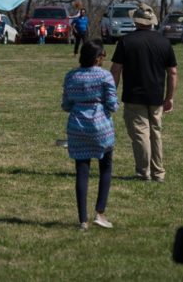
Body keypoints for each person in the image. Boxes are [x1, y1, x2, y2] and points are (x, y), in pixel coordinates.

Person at [109, 2, 177, 183]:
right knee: (156, 133)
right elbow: (173, 72)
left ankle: (143, 172)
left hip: (134, 96)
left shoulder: (126, 41)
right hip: (156, 97)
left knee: (140, 134)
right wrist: (169, 97)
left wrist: (111, 93)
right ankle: (158, 172)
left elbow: (116, 70)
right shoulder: (164, 42)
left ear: (136, 21)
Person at [62, 39, 118, 230]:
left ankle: (83, 220)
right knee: (106, 169)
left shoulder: (71, 76)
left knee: (82, 171)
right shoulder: (105, 76)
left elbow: (66, 105)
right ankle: (100, 213)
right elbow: (112, 104)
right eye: (102, 55)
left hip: (77, 126)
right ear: (97, 58)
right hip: (101, 126)